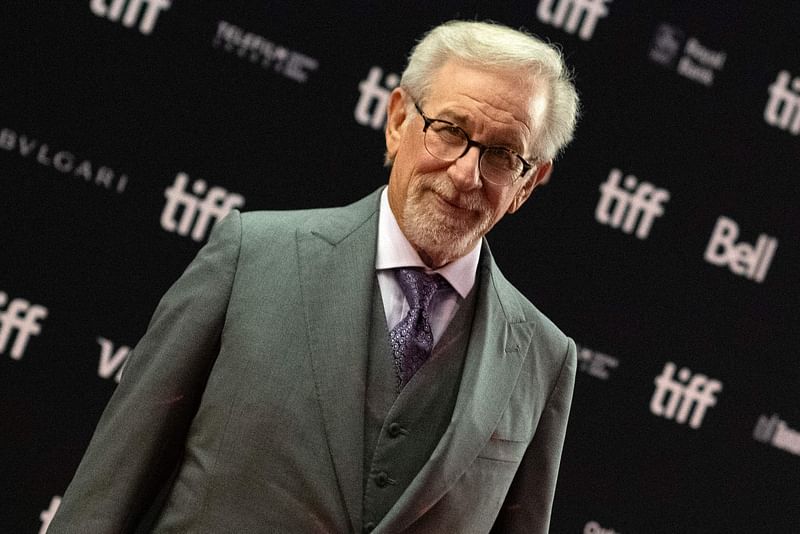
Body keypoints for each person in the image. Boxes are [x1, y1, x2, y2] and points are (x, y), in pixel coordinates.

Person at [49, 19, 580, 534]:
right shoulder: (249, 258)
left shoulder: (544, 359)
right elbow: (108, 489)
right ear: (398, 121)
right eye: (449, 131)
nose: (466, 173)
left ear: (528, 183)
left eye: (503, 156)